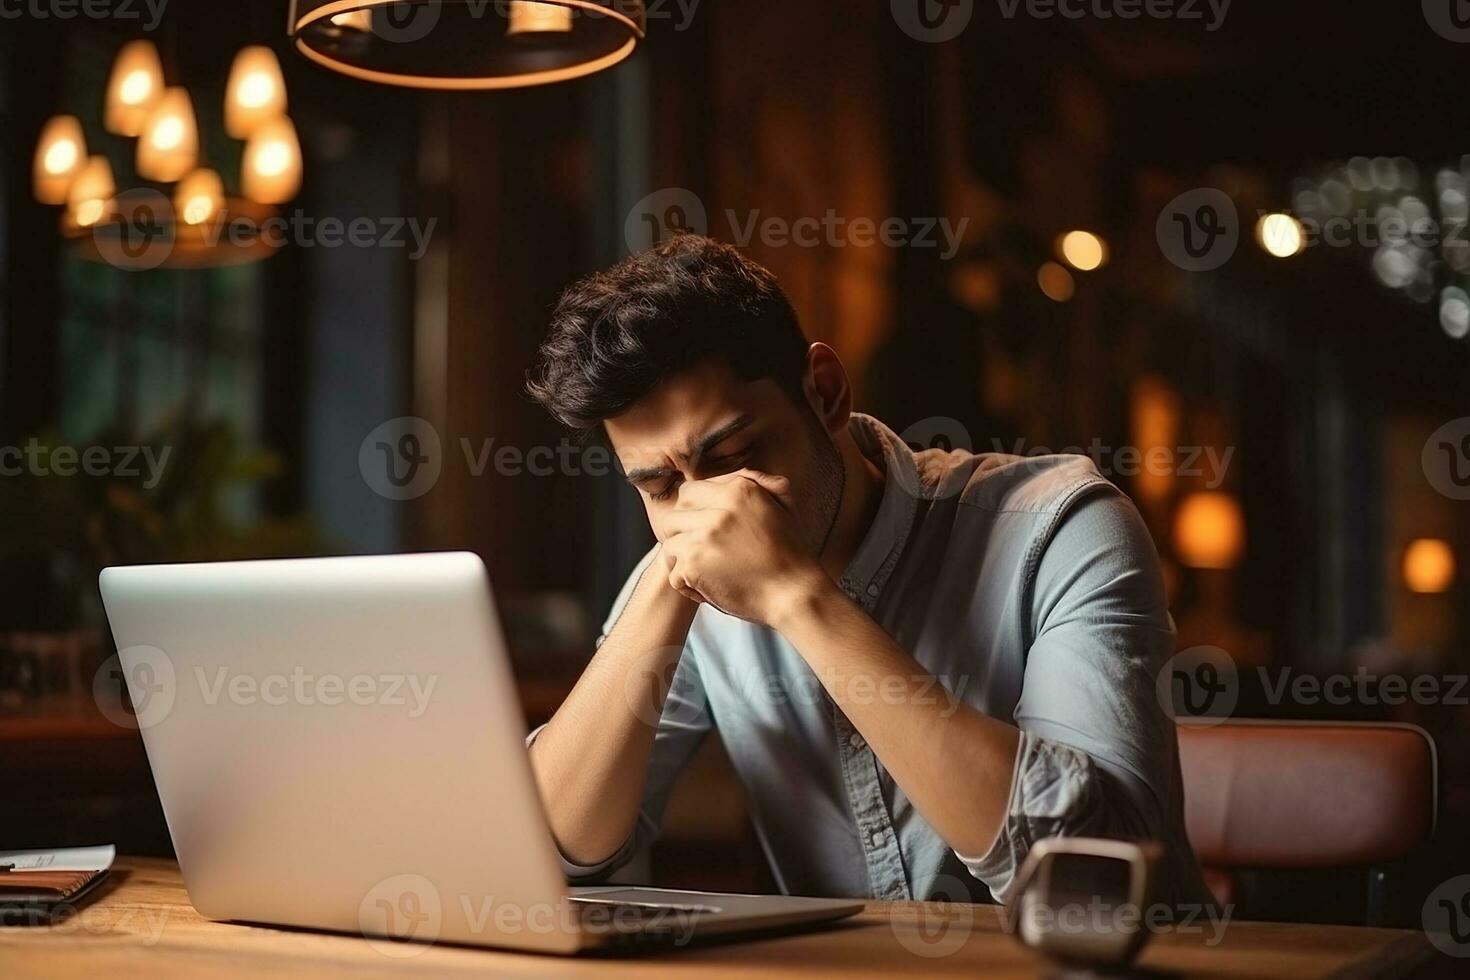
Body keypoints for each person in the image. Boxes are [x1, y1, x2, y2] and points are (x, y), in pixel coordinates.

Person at [523, 234, 1210, 906]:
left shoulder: (1061, 528)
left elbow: (1097, 878)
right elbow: (547, 852)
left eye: (734, 455)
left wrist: (798, 597)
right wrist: (663, 589)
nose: (711, 507)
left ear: (824, 392)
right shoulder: (684, 560)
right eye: (659, 486)